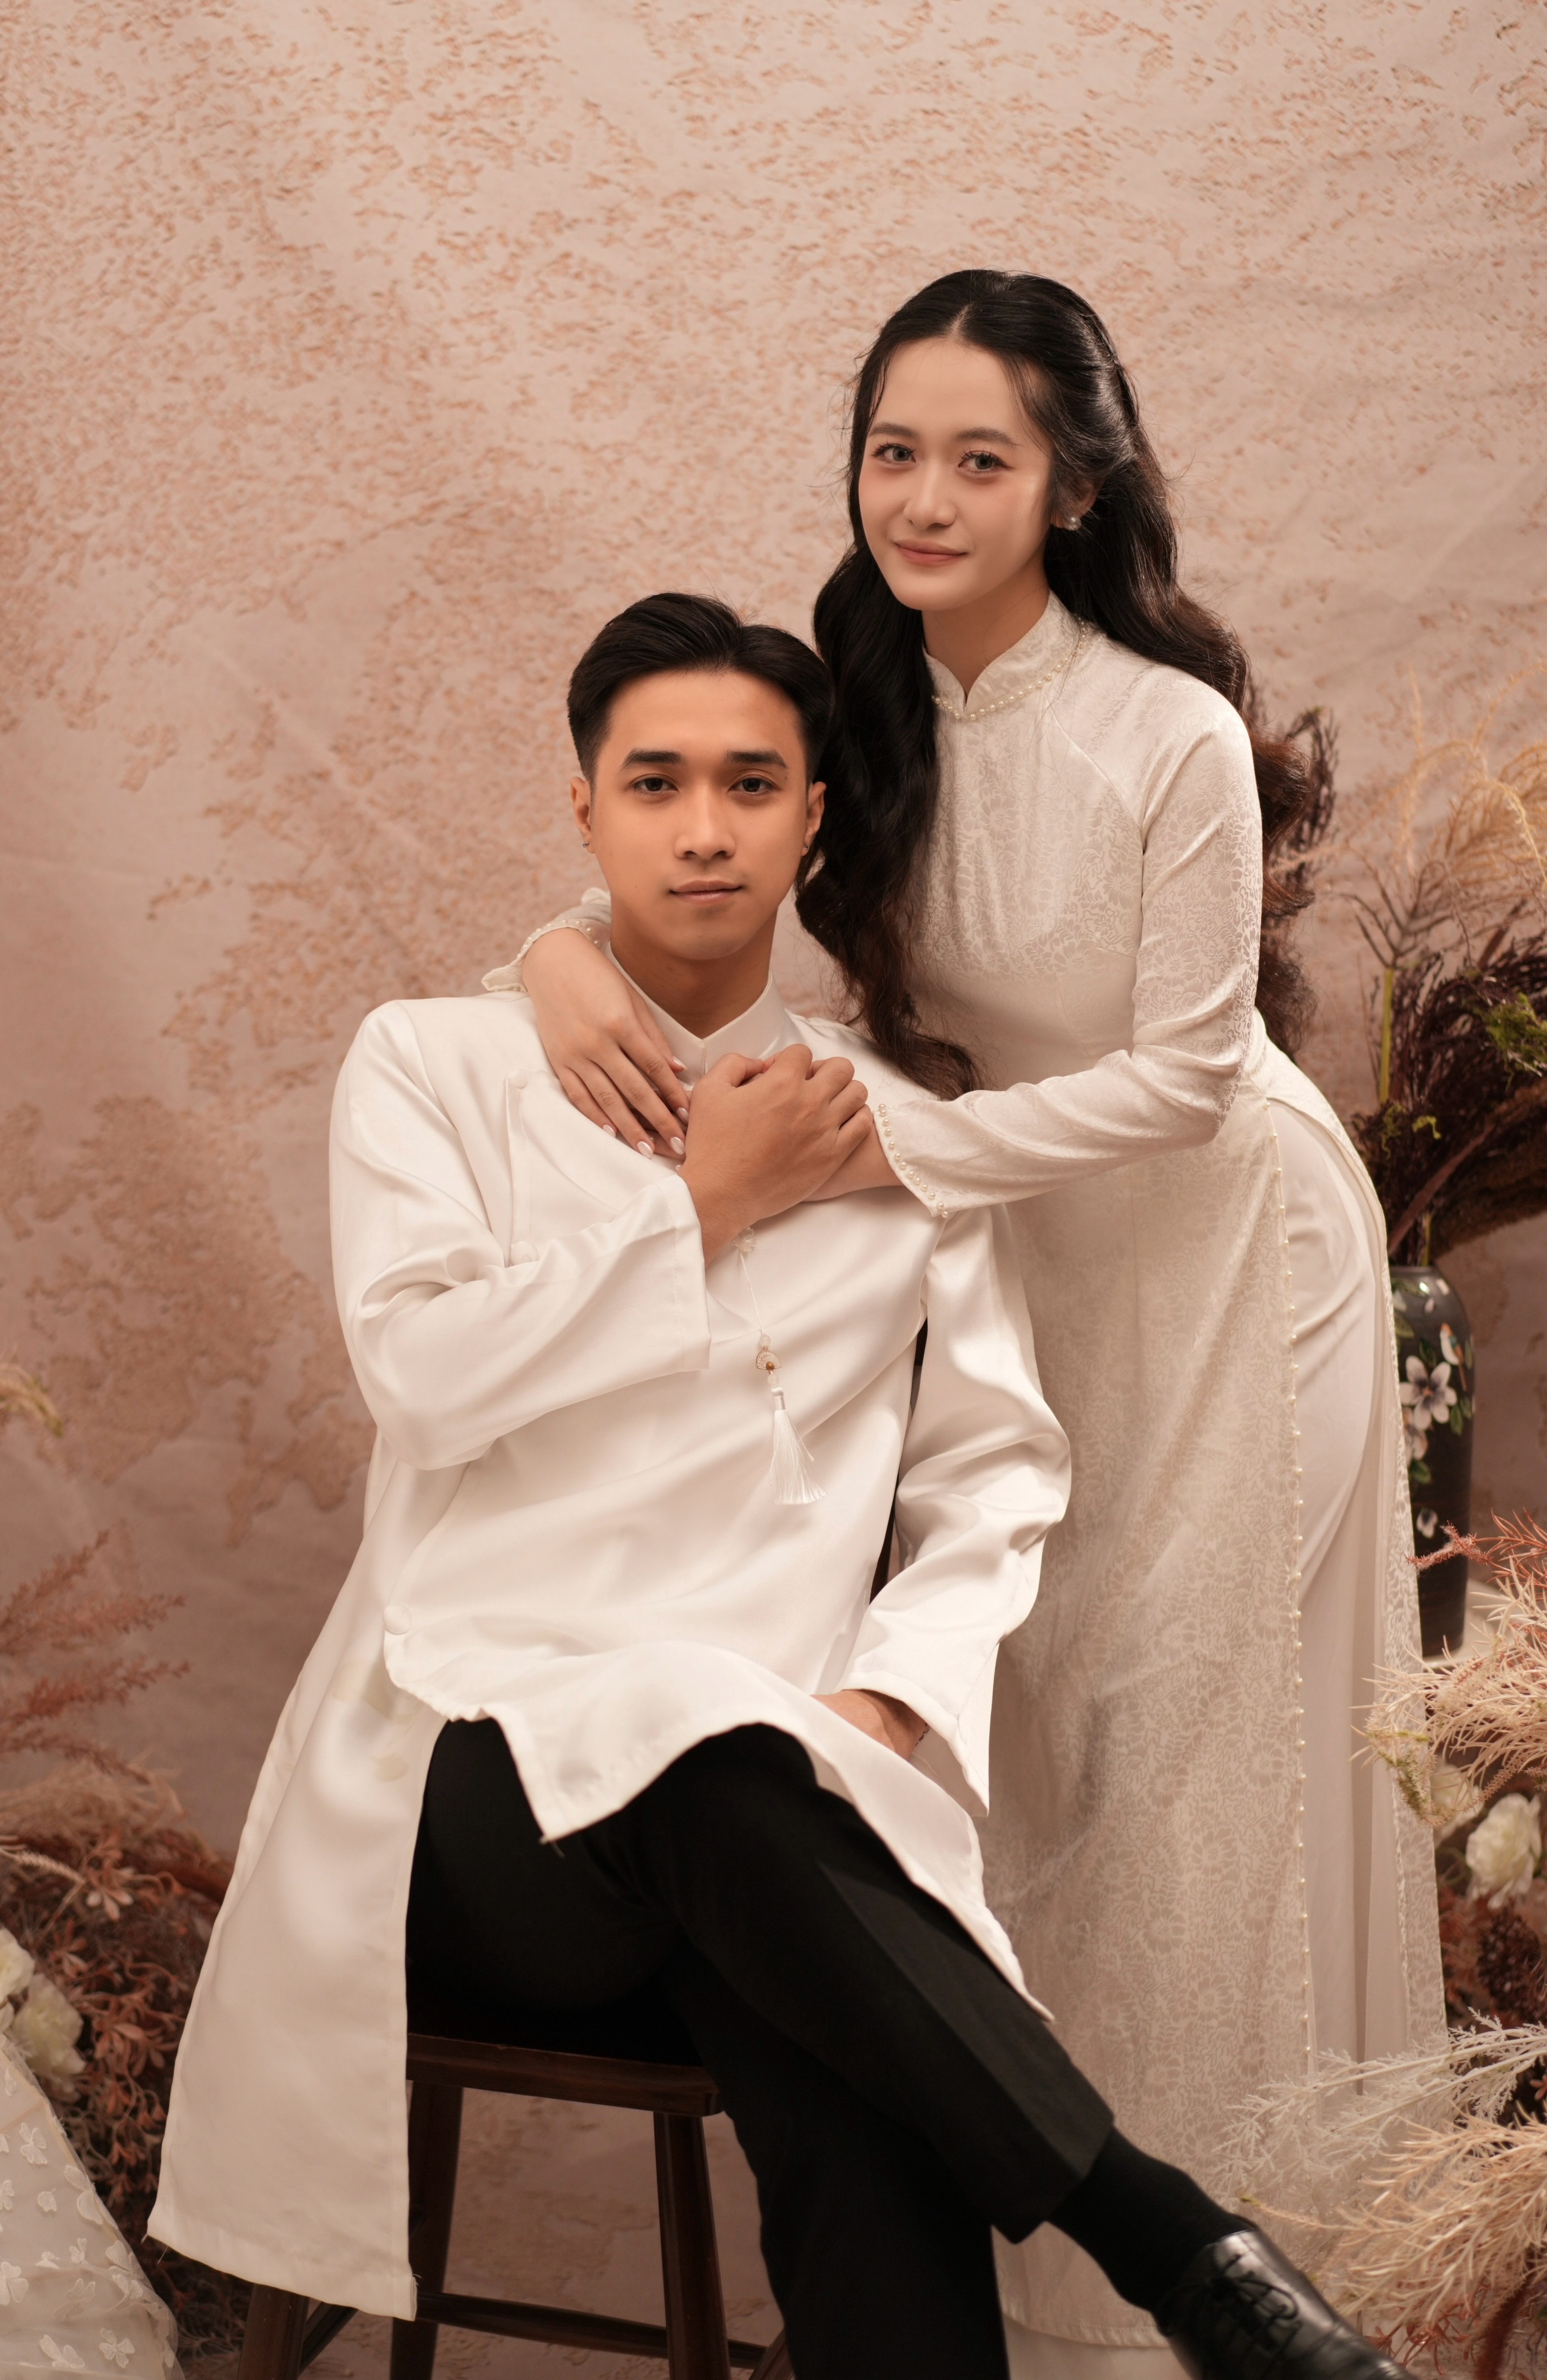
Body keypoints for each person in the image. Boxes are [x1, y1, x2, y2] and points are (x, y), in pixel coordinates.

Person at [152, 596, 1407, 2380]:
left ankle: (1187, 2272)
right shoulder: (433, 1065)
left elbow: (993, 1468)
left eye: (750, 784)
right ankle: (1168, 2239)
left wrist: (898, 1689)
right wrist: (703, 1205)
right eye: (652, 781)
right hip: (472, 1793)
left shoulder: (887, 1124)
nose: (702, 827)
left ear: (814, 815)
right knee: (707, 1747)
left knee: (846, 2045)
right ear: (583, 807)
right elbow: (424, 1380)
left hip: (772, 1828)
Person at [504, 277, 1446, 2378]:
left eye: (979, 458)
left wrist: (884, 1151)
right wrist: (556, 955)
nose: (922, 498)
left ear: (1074, 488)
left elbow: (1183, 1082)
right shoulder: (862, 693)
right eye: (892, 451)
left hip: (1222, 1265)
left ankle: (1240, 2306)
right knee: (1016, 1758)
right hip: (1003, 1270)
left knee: (1192, 1770)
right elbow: (691, 829)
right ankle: (1059, 2302)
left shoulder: (1162, 730)